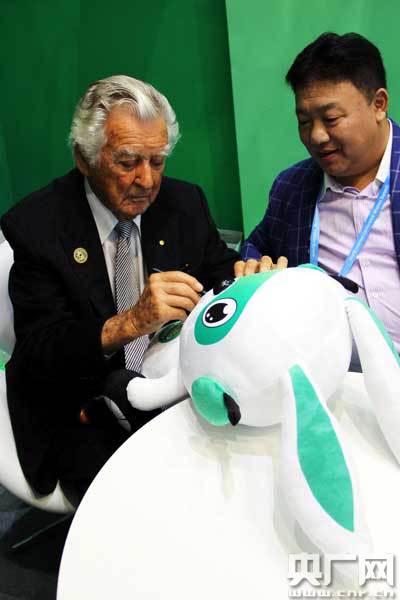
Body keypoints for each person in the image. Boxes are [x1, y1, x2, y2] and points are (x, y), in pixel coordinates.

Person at [0, 75, 241, 505]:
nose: (147, 180)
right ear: (84, 158)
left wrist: (249, 277)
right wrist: (129, 323)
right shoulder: (37, 226)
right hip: (81, 405)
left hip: (175, 389)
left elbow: (222, 276)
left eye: (158, 161)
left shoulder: (185, 204)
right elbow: (40, 353)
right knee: (152, 498)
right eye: (128, 162)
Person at [240, 32, 400, 356]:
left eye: (331, 119)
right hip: (331, 372)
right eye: (304, 121)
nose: (316, 136)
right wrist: (255, 270)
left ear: (378, 104)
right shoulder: (292, 188)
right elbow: (256, 247)